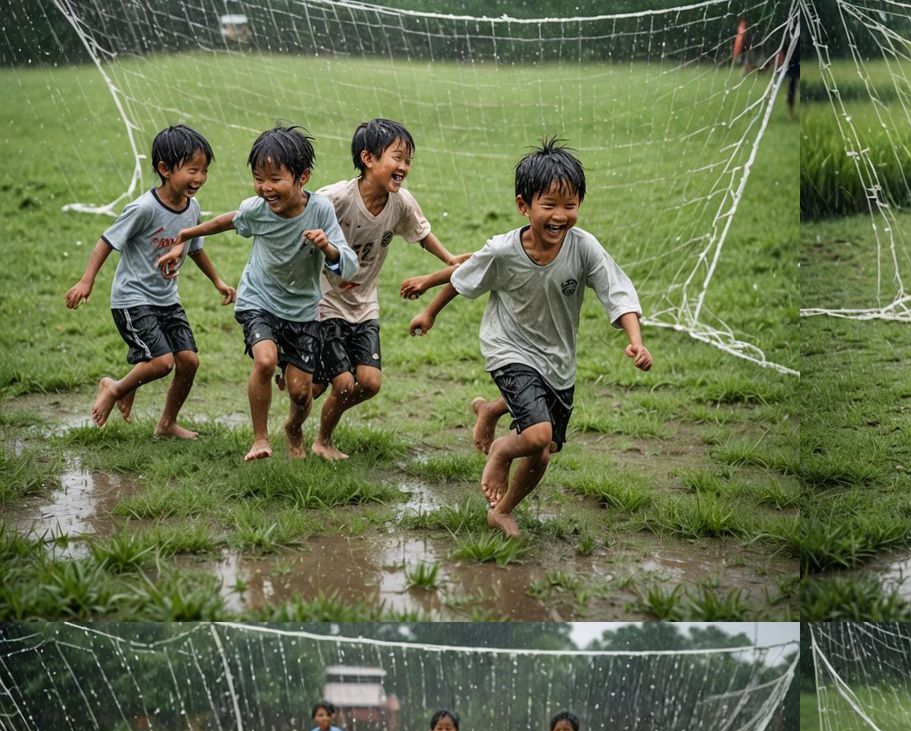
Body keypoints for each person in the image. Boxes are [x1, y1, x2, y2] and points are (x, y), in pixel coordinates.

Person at [407, 138, 652, 537]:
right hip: (508, 347)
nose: (560, 216)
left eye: (570, 206)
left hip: (557, 359)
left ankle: (501, 505)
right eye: (549, 206)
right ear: (524, 205)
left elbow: (617, 291)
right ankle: (502, 450)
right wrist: (429, 311)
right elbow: (463, 276)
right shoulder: (504, 250)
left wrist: (635, 340)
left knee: (543, 451)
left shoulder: (584, 247)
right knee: (538, 434)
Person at [157, 125, 358, 462]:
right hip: (258, 301)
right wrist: (184, 237)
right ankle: (260, 438)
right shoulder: (258, 208)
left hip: (303, 311)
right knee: (264, 361)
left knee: (300, 392)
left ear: (302, 177)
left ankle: (294, 428)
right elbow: (228, 221)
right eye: (258, 178)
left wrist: (327, 247)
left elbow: (348, 264)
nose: (265, 188)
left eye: (275, 178)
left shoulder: (320, 210)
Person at [306, 118, 467, 460]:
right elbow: (297, 225)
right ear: (367, 158)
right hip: (325, 301)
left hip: (364, 304)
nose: (404, 167)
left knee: (370, 383)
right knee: (343, 384)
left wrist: (449, 258)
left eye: (408, 161)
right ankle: (322, 440)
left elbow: (421, 233)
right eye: (397, 158)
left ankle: (316, 389)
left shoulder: (401, 202)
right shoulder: (333, 199)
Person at [65, 125, 235, 436]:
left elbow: (196, 249)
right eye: (192, 170)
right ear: (164, 169)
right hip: (133, 298)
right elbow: (107, 241)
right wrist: (86, 281)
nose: (199, 178)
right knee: (162, 362)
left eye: (204, 170)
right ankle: (114, 388)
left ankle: (167, 424)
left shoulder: (192, 207)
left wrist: (218, 281)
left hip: (167, 299)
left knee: (189, 361)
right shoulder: (144, 208)